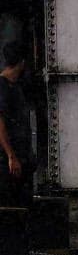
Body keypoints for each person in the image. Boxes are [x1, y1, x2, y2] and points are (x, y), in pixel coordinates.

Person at [0, 41, 33, 207]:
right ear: (22, 62)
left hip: (17, 155)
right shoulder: (4, 87)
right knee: (12, 204)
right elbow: (0, 124)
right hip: (9, 158)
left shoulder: (14, 86)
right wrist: (11, 156)